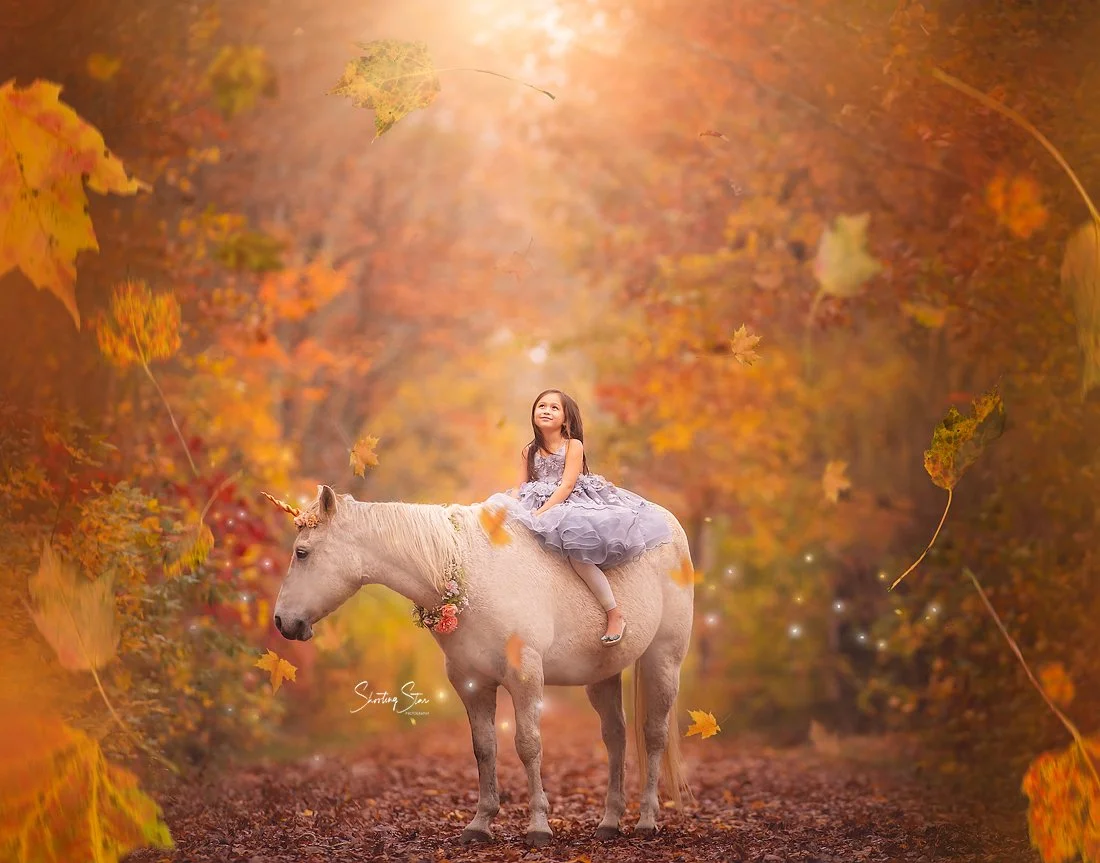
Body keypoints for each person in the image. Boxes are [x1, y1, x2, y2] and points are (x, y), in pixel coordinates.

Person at [485, 388, 673, 646]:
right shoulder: (529, 451)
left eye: (554, 407)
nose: (546, 411)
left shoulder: (573, 445)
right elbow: (520, 485)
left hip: (569, 503)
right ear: (533, 413)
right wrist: (514, 508)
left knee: (577, 555)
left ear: (566, 419)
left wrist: (542, 513)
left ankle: (614, 613)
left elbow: (566, 485)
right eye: (542, 406)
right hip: (534, 502)